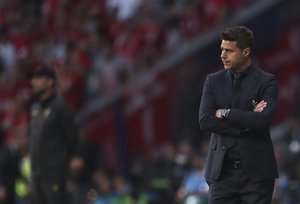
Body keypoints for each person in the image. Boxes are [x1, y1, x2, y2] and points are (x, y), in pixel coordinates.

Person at [198, 25, 279, 204]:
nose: (223, 55)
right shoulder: (212, 81)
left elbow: (264, 119)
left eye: (229, 50)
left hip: (257, 176)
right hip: (221, 175)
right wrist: (247, 122)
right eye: (222, 50)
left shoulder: (267, 81)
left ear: (245, 52)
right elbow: (205, 121)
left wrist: (226, 113)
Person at [28, 65, 79, 204]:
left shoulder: (60, 107)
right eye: (33, 78)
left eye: (38, 78)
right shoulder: (35, 108)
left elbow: (73, 135)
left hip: (54, 173)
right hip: (36, 172)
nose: (33, 81)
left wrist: (72, 157)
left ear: (50, 82)